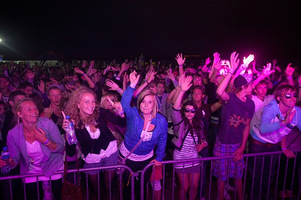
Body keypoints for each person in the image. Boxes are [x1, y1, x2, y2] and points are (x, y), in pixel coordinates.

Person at [0, 98, 64, 200]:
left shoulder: (47, 124)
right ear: (20, 114)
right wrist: (9, 161)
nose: (34, 112)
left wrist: (46, 141)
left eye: (35, 109)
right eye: (29, 109)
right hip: (31, 172)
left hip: (53, 168)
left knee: (58, 196)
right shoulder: (13, 133)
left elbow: (61, 148)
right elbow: (15, 159)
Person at [62, 86, 118, 200]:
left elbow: (121, 122)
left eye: (93, 101)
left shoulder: (100, 112)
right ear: (78, 104)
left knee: (108, 188)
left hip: (110, 151)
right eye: (86, 101)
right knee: (95, 190)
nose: (91, 105)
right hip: (92, 157)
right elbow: (71, 153)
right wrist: (69, 132)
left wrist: (120, 111)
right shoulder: (74, 122)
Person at [213, 52, 255, 200]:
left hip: (238, 144)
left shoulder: (250, 103)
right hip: (223, 143)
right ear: (243, 87)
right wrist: (232, 71)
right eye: (250, 85)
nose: (253, 87)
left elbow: (247, 126)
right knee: (222, 177)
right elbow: (219, 91)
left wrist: (242, 147)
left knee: (238, 176)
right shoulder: (229, 99)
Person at [120, 71, 168, 200]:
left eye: (150, 102)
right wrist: (132, 85)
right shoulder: (133, 114)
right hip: (128, 157)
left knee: (142, 186)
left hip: (147, 159)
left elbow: (163, 139)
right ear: (139, 103)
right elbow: (124, 104)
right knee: (128, 187)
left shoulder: (161, 120)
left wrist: (159, 158)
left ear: (154, 104)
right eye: (143, 102)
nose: (146, 105)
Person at [171, 75, 208, 200]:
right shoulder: (179, 122)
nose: (190, 113)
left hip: (194, 158)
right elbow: (175, 108)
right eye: (187, 110)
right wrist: (181, 90)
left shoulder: (199, 124)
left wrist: (203, 144)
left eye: (192, 111)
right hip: (180, 158)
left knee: (194, 186)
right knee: (185, 187)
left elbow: (204, 139)